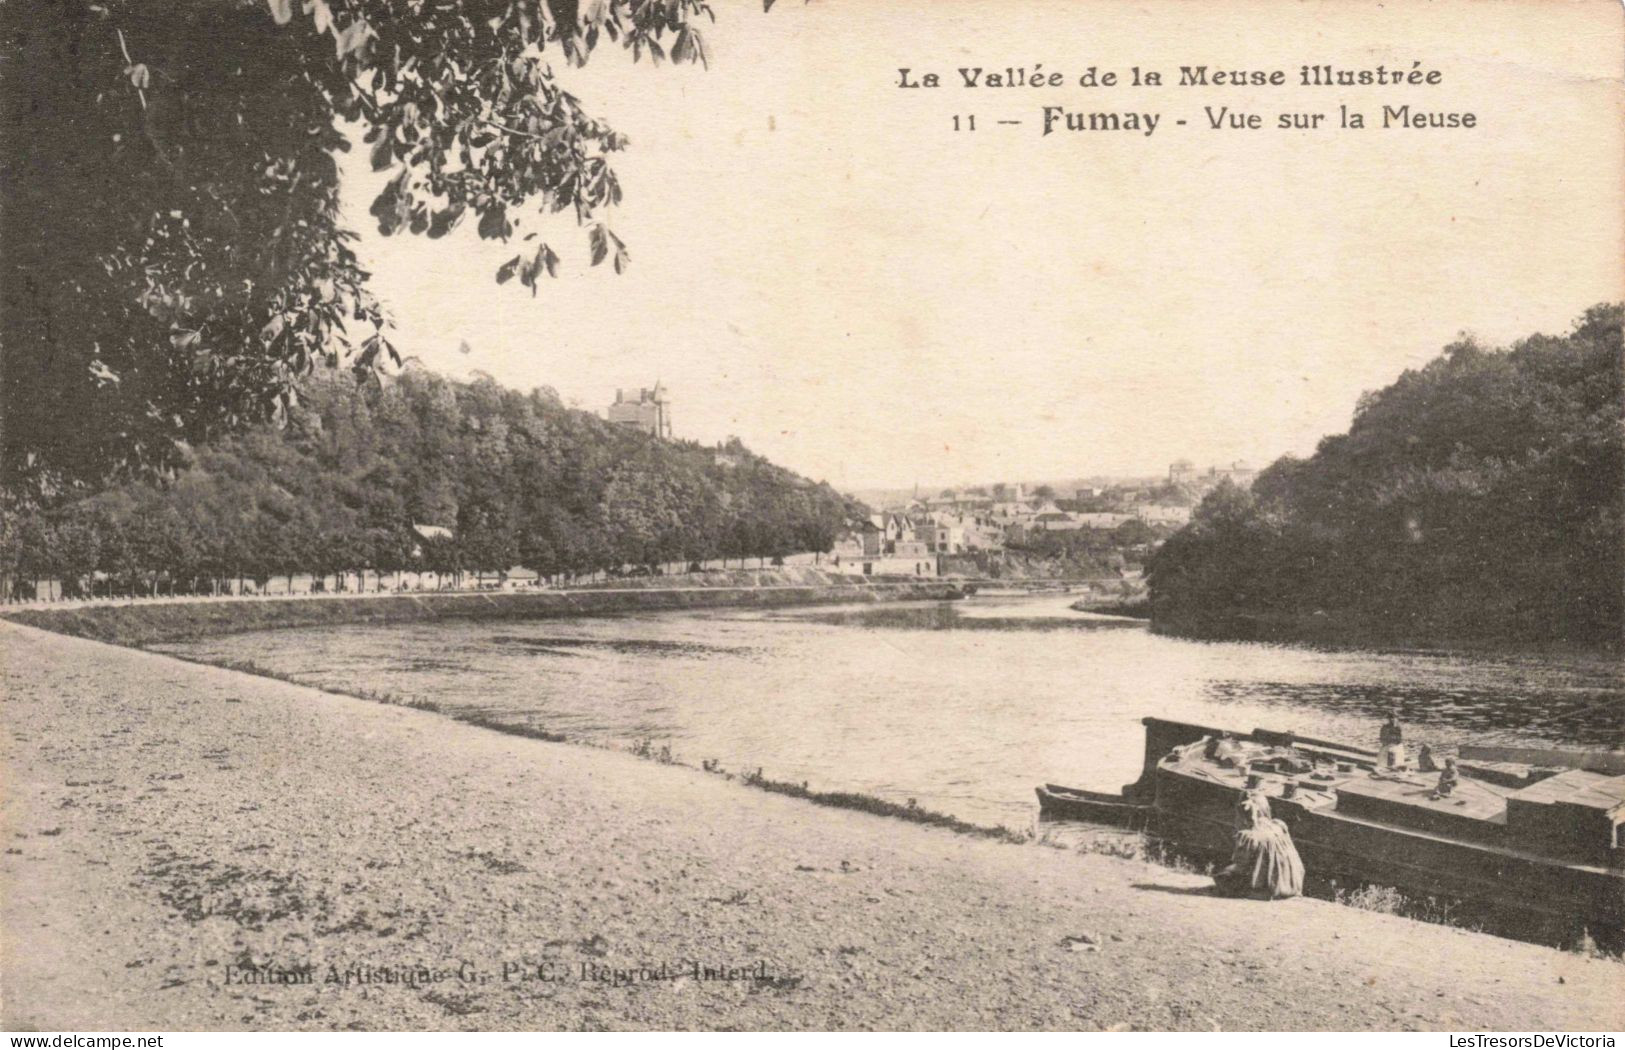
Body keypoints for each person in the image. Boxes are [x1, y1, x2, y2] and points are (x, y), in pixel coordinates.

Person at [1213, 792, 1304, 900]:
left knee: (1223, 876)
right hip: (1291, 884)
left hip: (1270, 888)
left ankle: (1260, 891)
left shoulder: (1249, 836)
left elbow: (1241, 866)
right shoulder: (1280, 826)